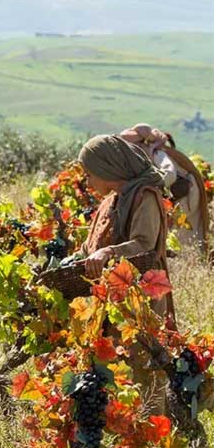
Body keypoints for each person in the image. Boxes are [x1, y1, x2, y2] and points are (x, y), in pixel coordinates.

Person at [77, 134, 174, 411]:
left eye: (90, 174)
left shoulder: (146, 198)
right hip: (112, 295)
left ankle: (154, 434)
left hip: (141, 297)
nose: (87, 182)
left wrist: (108, 253)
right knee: (110, 365)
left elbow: (144, 244)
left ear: (108, 171)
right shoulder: (113, 200)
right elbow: (90, 245)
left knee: (144, 365)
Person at [118, 123, 209, 253]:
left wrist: (149, 185)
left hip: (186, 194)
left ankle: (193, 261)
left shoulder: (157, 152)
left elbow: (170, 175)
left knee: (185, 233)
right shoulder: (148, 152)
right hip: (176, 196)